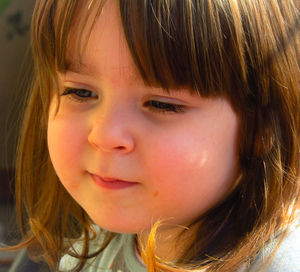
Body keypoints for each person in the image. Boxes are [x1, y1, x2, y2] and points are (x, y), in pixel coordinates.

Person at [6, 0, 300, 271]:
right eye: (80, 92)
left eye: (161, 104)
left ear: (262, 128)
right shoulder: (88, 256)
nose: (105, 135)